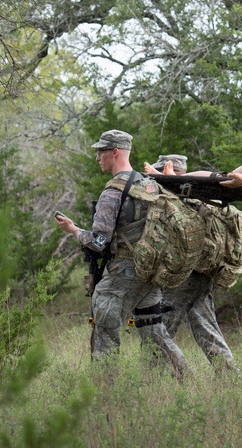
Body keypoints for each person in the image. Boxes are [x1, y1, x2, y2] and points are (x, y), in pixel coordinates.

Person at [55, 130, 189, 379]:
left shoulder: (113, 192)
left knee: (105, 331)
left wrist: (73, 230)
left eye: (101, 152)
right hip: (150, 272)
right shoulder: (149, 185)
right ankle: (186, 377)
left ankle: (105, 393)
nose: (97, 157)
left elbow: (98, 242)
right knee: (154, 330)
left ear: (115, 152)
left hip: (123, 273)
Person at [146, 154, 239, 371]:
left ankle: (157, 376)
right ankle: (229, 374)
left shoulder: (184, 196)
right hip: (202, 273)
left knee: (159, 328)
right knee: (206, 327)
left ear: (172, 171)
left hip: (185, 275)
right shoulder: (205, 196)